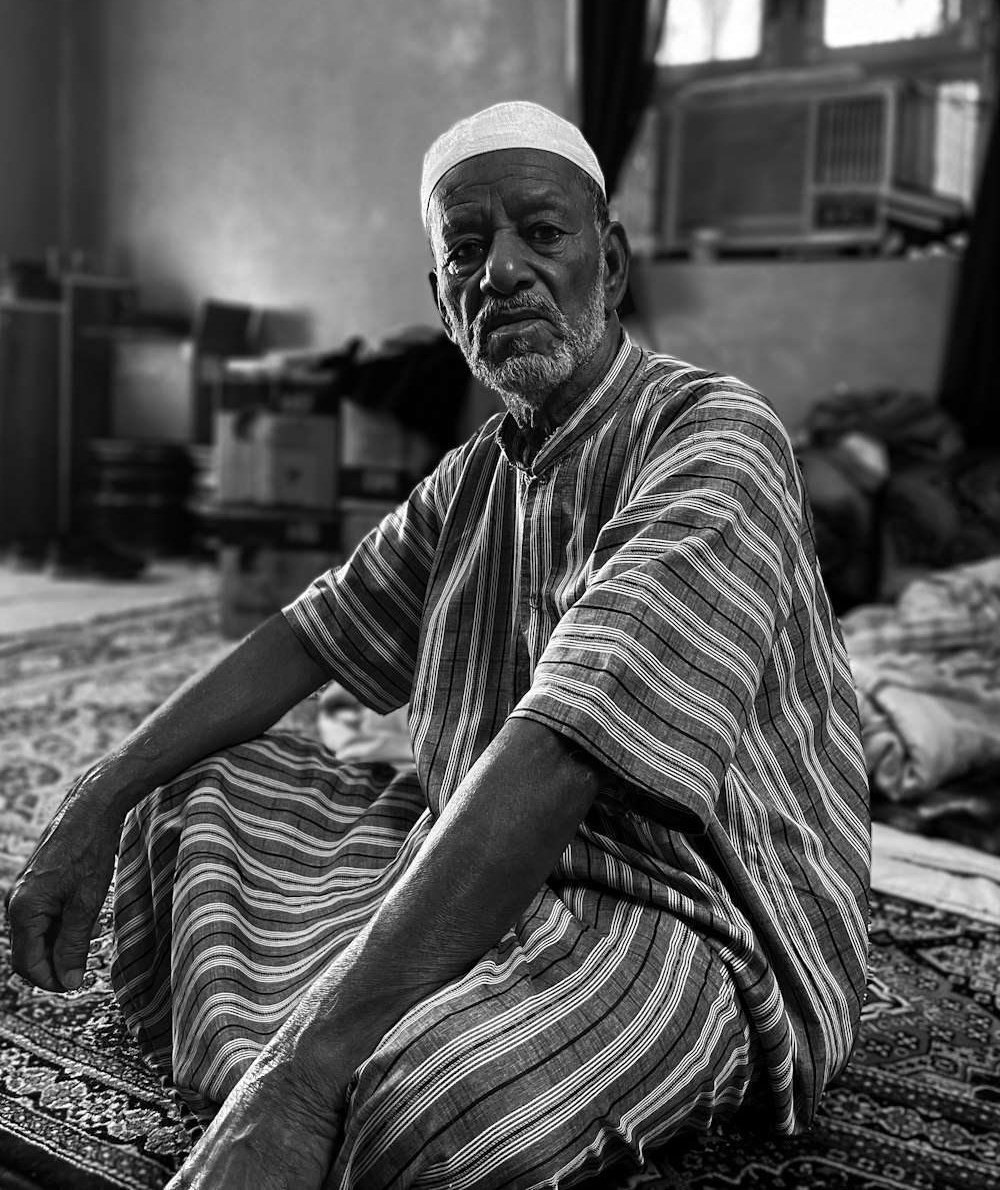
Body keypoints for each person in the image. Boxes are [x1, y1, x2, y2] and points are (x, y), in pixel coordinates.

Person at [6, 101, 871, 1190]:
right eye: (465, 248)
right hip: (478, 843)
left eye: (539, 235)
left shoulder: (713, 436)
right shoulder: (476, 473)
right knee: (185, 796)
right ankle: (365, 1022)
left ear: (608, 266)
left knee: (431, 1125)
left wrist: (302, 1077)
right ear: (441, 301)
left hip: (678, 906)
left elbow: (569, 742)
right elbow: (303, 633)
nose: (500, 270)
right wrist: (97, 793)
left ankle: (319, 1064)